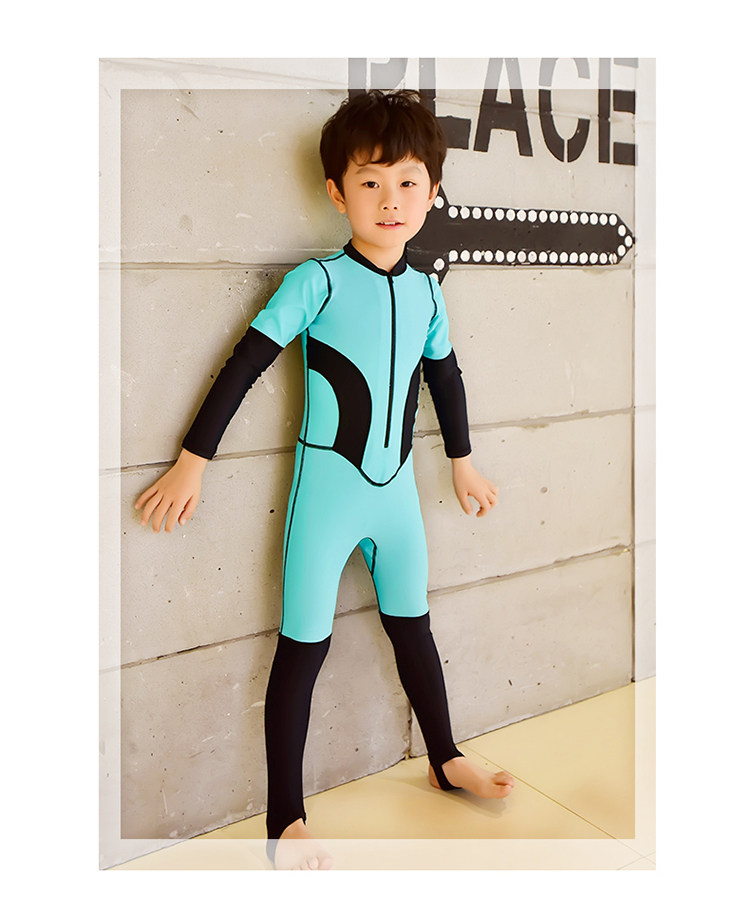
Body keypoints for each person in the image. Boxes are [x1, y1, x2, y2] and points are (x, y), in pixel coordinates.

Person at [134, 89, 515, 871]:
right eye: (371, 182)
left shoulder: (427, 289)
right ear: (338, 193)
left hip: (397, 497)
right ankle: (286, 819)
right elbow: (246, 363)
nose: (391, 200)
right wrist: (193, 459)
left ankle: (446, 758)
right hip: (328, 495)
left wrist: (463, 460)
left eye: (408, 182)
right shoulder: (319, 281)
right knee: (304, 645)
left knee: (414, 627)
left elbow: (444, 378)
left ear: (433, 194)